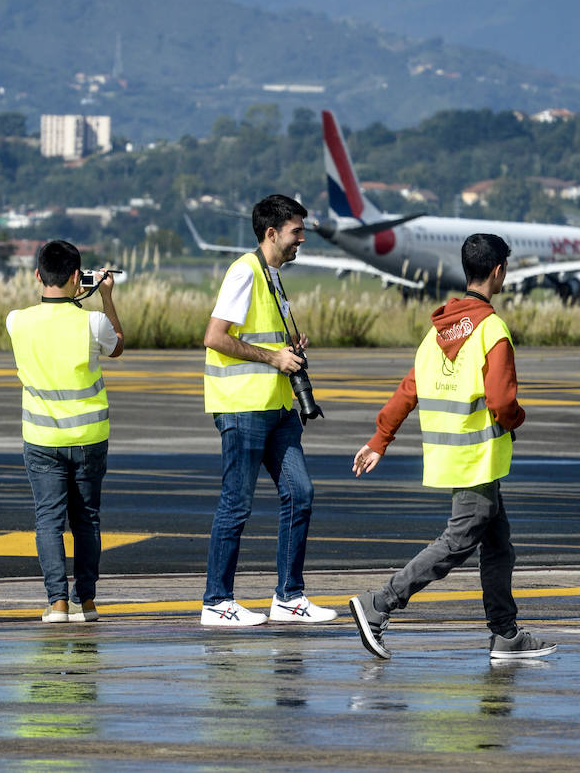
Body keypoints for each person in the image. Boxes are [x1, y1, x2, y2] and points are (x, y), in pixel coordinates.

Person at [347, 233, 556, 661]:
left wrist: (379, 439)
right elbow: (501, 402)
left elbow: (409, 389)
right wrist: (517, 419)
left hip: (456, 457)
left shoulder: (437, 331)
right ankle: (379, 604)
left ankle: (505, 634)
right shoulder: (492, 329)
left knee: (498, 545)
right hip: (477, 459)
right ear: (498, 272)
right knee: (458, 542)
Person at [200, 194, 336, 627]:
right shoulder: (244, 271)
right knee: (236, 504)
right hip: (243, 407)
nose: (302, 240)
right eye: (297, 232)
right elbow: (215, 337)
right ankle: (217, 601)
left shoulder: (271, 275)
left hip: (277, 408)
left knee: (301, 493)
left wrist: (287, 351)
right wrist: (273, 358)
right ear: (272, 233)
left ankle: (288, 597)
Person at [6, 240, 123, 622]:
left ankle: (57, 603)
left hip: (41, 439)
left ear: (37, 275)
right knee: (87, 519)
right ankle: (85, 601)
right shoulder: (93, 322)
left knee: (48, 521)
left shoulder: (16, 321)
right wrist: (104, 296)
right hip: (89, 438)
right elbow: (116, 345)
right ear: (77, 276)